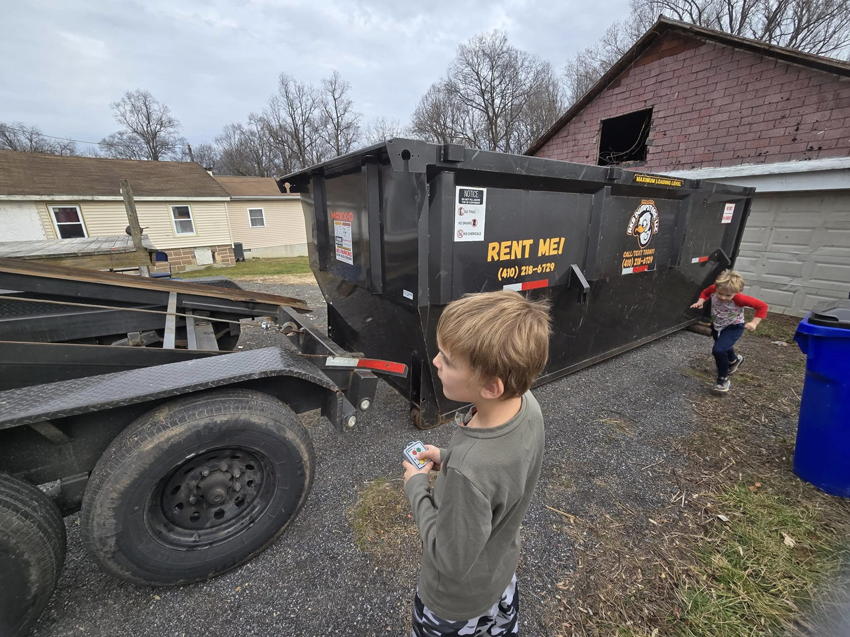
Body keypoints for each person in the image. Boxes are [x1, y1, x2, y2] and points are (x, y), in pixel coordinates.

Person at [402, 290, 551, 637]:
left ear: (491, 387)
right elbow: (500, 477)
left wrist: (416, 487)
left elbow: (450, 560)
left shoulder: (469, 470)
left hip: (455, 607)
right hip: (499, 576)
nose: (436, 361)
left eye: (449, 360)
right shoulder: (527, 406)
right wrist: (446, 457)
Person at [690, 269, 768, 393]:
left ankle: (722, 381)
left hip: (734, 326)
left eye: (728, 295)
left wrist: (754, 323)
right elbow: (705, 292)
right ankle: (735, 360)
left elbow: (762, 306)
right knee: (723, 345)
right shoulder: (714, 288)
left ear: (737, 292)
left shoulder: (740, 299)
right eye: (720, 293)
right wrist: (700, 302)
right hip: (717, 325)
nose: (722, 297)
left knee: (718, 350)